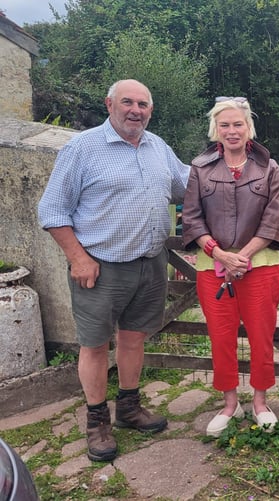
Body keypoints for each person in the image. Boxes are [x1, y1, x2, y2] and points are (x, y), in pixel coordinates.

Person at [37, 79, 189, 461]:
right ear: (109, 104)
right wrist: (78, 257)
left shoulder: (158, 147)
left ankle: (129, 408)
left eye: (143, 104)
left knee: (134, 338)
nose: (135, 110)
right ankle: (96, 421)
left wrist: (240, 165)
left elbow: (189, 184)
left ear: (151, 111)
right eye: (128, 102)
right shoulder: (82, 148)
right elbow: (52, 210)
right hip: (100, 267)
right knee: (94, 345)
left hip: (150, 262)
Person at [181, 96, 279, 437]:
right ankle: (229, 404)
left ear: (248, 127)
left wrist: (243, 257)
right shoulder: (200, 168)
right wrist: (220, 255)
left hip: (261, 265)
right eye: (224, 125)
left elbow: (273, 222)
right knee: (221, 338)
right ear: (216, 129)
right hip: (213, 268)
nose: (231, 131)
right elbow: (192, 220)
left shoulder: (269, 168)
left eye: (237, 124)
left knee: (261, 336)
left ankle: (260, 402)